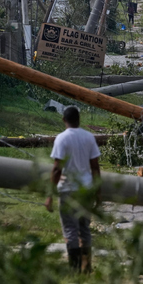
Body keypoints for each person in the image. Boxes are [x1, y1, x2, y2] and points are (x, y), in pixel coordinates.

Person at [46, 107, 101, 273]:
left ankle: (75, 269)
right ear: (79, 119)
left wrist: (50, 195)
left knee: (70, 229)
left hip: (68, 189)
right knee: (84, 229)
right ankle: (87, 266)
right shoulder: (89, 137)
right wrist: (98, 192)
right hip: (85, 189)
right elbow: (95, 167)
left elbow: (57, 169)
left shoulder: (62, 139)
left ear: (64, 120)